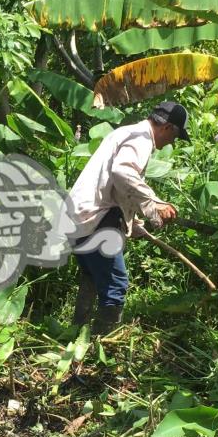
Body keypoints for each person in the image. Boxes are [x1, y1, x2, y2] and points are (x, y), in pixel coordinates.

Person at [66, 101, 188, 334]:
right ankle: (103, 346)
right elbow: (122, 172)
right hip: (95, 217)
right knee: (115, 283)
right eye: (174, 137)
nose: (170, 143)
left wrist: (135, 225)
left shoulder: (126, 133)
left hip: (79, 217)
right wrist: (154, 204)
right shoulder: (141, 138)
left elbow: (117, 187)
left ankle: (76, 337)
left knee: (93, 277)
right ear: (167, 128)